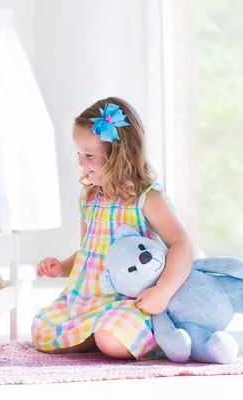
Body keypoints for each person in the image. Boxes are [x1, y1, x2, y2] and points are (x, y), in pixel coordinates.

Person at [32, 97, 193, 360]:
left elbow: (182, 244)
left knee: (110, 337)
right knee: (41, 331)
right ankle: (98, 334)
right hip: (86, 298)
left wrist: (162, 291)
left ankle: (122, 335)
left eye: (89, 155)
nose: (82, 163)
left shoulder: (147, 199)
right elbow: (88, 253)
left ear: (119, 155)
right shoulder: (89, 200)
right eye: (79, 154)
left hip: (130, 301)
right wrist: (62, 266)